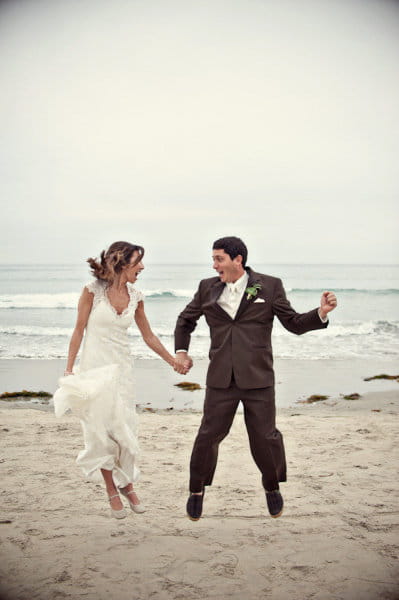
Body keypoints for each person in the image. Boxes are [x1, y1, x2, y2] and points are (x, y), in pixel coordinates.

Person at [174, 236, 337, 520]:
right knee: (208, 436)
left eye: (219, 259)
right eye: (213, 259)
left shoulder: (270, 285)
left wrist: (321, 313)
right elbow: (186, 319)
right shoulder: (206, 288)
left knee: (265, 437)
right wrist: (181, 351)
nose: (214, 265)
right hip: (221, 378)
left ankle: (272, 486)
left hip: (259, 378)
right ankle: (197, 490)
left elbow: (294, 324)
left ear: (238, 260)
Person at [54, 241, 188, 519]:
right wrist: (69, 370)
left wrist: (172, 361)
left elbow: (149, 336)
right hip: (94, 371)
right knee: (100, 433)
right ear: (121, 261)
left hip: (122, 372)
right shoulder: (92, 292)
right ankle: (111, 489)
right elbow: (78, 331)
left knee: (125, 430)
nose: (142, 267)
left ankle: (126, 482)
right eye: (137, 261)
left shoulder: (137, 296)